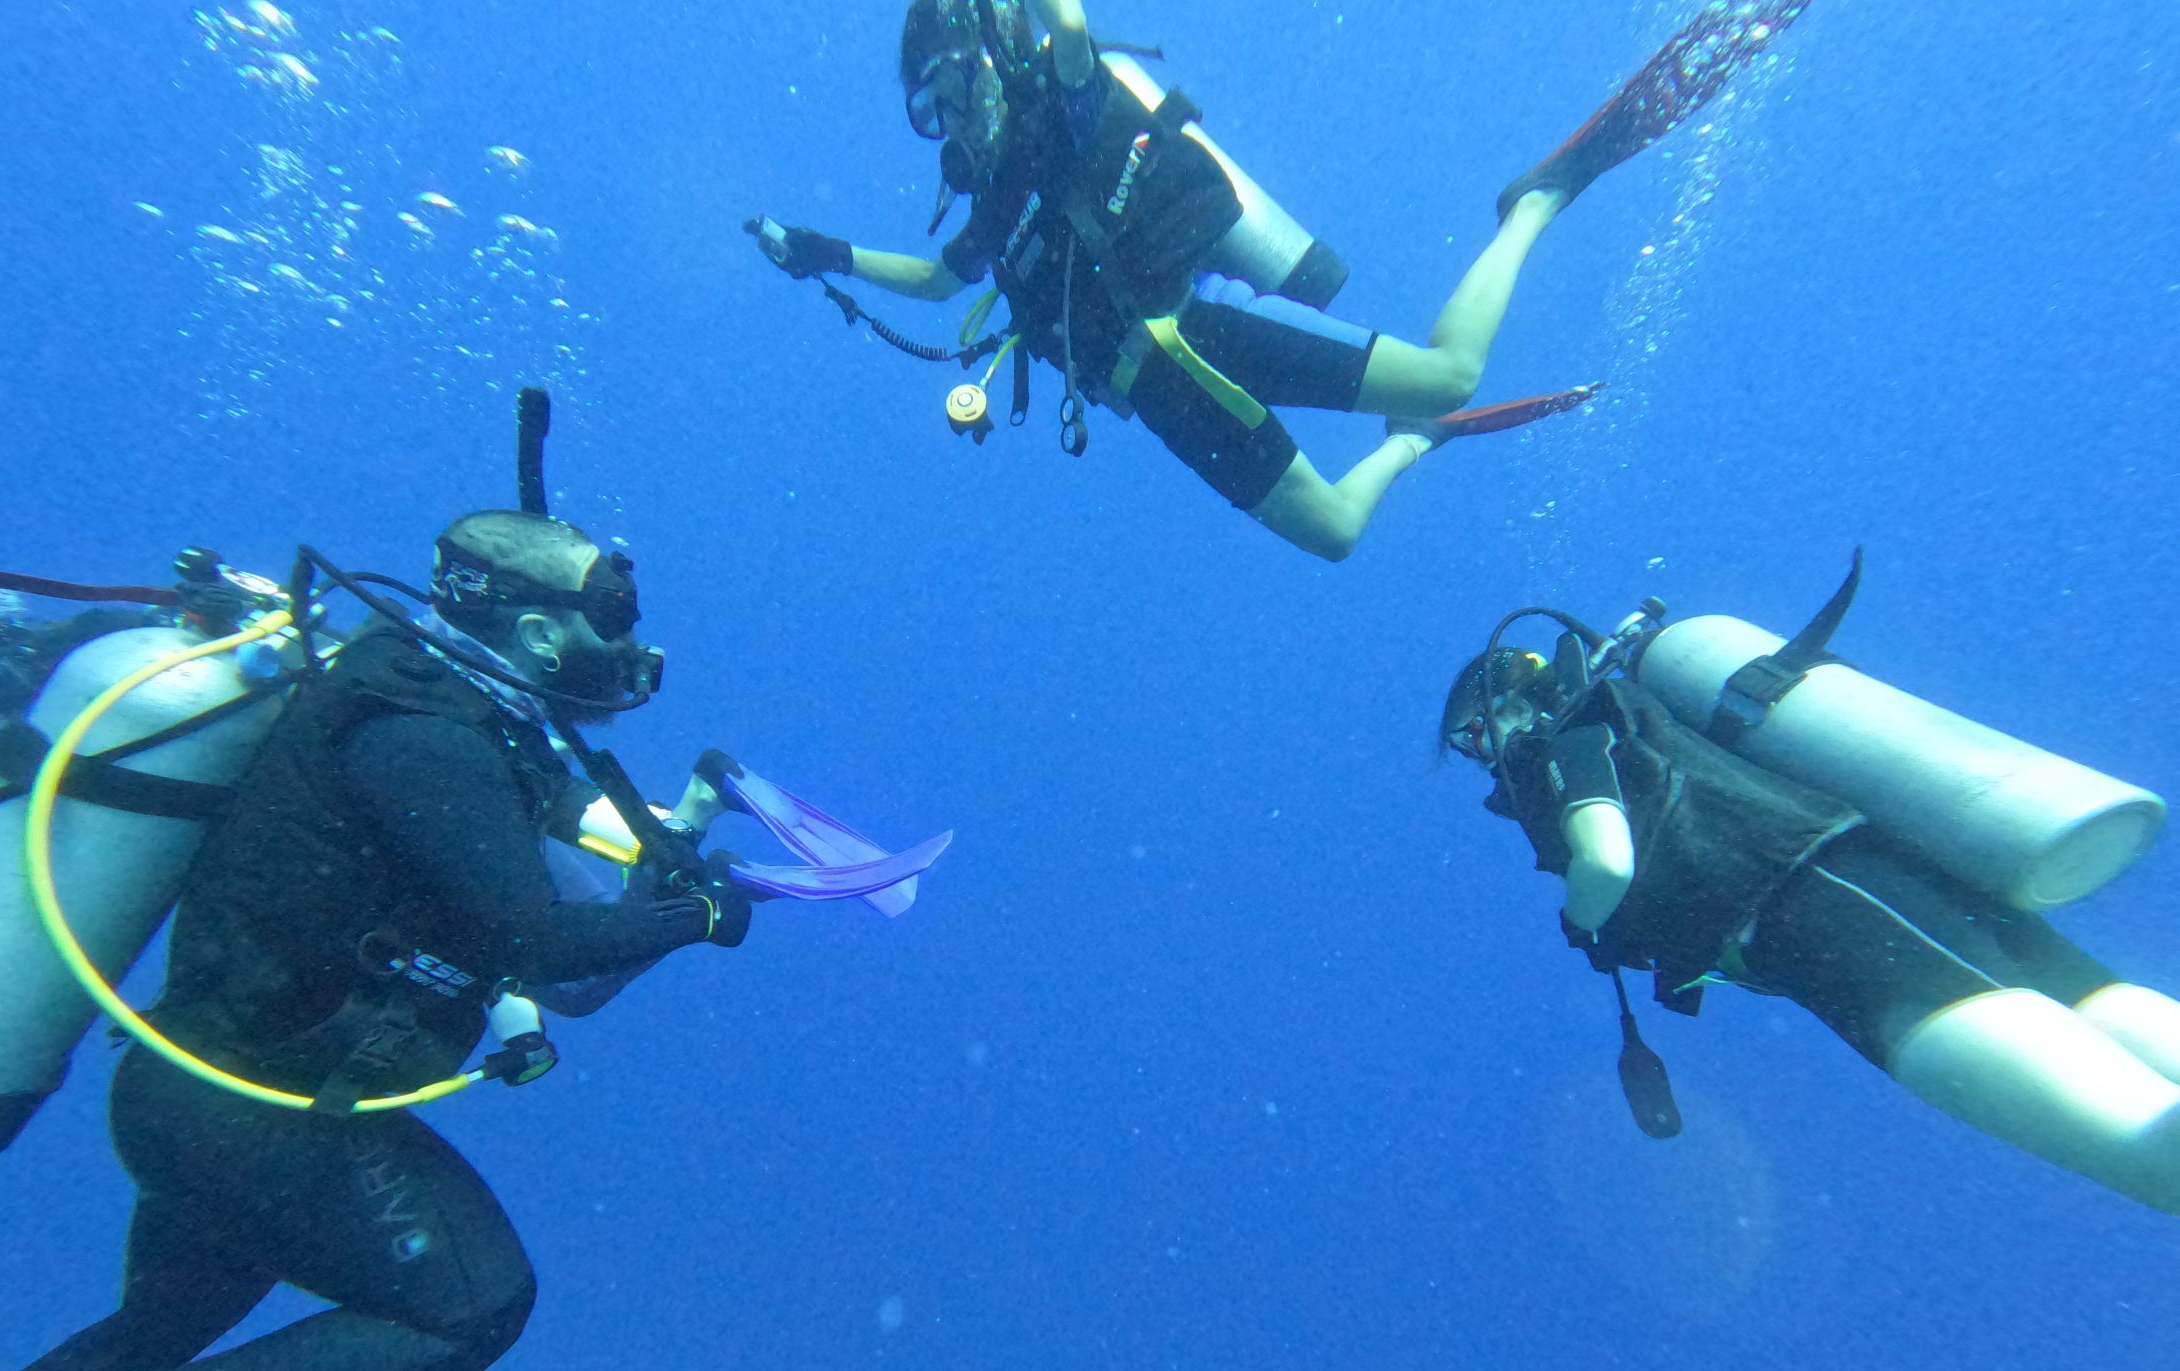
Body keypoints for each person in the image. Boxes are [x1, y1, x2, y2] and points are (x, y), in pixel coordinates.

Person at [0, 512, 759, 1371]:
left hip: (212, 1096)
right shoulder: (425, 737)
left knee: (155, 1333)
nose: (630, 649)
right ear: (535, 636)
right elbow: (538, 942)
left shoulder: (442, 704)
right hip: (250, 1113)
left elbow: (562, 942)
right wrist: (694, 917)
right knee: (472, 1308)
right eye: (612, 623)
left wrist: (680, 852)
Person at [748, 0, 1809, 560]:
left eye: (950, 85)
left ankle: (1533, 202)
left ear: (988, 50)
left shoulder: (1057, 109)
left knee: (1449, 370)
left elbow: (1066, 28)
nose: (948, 117)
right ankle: (1416, 445)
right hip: (1162, 402)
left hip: (1201, 328)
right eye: (928, 109)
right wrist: (822, 254)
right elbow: (935, 283)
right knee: (1336, 533)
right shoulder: (993, 199)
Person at [1438, 568, 2180, 1215]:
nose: (1483, 760)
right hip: (1893, 866)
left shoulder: (1567, 741)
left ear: (1510, 707)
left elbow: (1605, 863)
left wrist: (1583, 920)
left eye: (1473, 737)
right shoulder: (1645, 722)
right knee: (2097, 1002)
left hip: (1811, 914)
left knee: (2138, 1145)